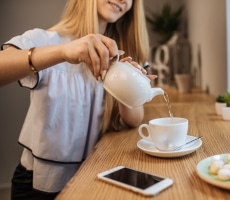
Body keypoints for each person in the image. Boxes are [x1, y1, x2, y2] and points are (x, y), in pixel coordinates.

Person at [0, 0, 155, 199]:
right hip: (38, 185)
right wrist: (63, 52)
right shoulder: (44, 40)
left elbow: (135, 118)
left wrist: (124, 81)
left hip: (93, 178)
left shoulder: (121, 52)